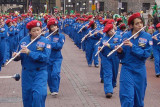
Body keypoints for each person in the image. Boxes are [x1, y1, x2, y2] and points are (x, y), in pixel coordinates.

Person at [117, 13, 152, 107]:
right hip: (127, 69)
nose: (140, 25)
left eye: (141, 23)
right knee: (127, 97)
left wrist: (133, 46)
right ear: (131, 25)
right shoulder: (125, 36)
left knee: (139, 99)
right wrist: (120, 52)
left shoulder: (147, 37)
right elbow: (121, 57)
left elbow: (146, 54)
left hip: (140, 70)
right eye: (137, 23)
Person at [13, 20, 51, 107]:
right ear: (30, 32)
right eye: (34, 31)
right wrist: (16, 56)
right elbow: (20, 56)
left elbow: (45, 57)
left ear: (41, 30)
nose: (36, 32)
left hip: (40, 73)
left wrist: (29, 52)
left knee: (38, 96)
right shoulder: (23, 41)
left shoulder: (46, 41)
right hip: (27, 74)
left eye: (38, 30)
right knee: (27, 99)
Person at [99, 24, 121, 98]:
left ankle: (113, 84)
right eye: (110, 31)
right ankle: (108, 91)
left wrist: (109, 45)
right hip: (106, 58)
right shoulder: (104, 39)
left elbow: (119, 46)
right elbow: (100, 47)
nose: (112, 32)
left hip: (115, 57)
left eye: (112, 30)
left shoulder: (118, 37)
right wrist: (100, 49)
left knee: (114, 74)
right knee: (108, 74)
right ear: (107, 32)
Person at [46, 19, 65, 96]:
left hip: (57, 58)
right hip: (48, 58)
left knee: (55, 73)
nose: (54, 28)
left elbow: (59, 46)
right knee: (49, 75)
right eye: (52, 26)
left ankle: (55, 89)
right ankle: (51, 89)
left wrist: (49, 44)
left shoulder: (61, 36)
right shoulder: (47, 36)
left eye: (55, 26)